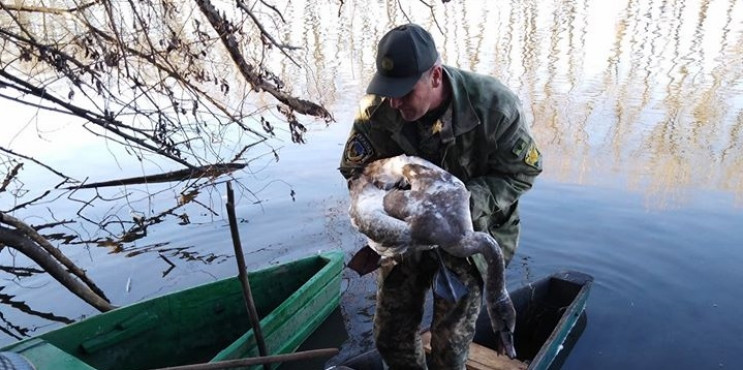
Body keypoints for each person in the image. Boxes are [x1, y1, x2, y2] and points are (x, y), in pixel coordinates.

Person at [339, 23, 542, 370]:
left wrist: (463, 203)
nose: (394, 101)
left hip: (471, 234)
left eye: (404, 91)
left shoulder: (495, 107)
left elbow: (522, 173)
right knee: (390, 337)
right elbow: (355, 174)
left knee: (449, 349)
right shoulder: (376, 112)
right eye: (388, 90)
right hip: (407, 233)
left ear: (435, 76)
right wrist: (393, 205)